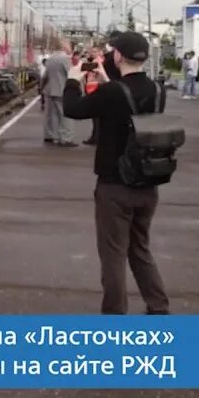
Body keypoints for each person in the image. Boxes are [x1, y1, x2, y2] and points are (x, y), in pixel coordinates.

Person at [62, 31, 170, 316]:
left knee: (113, 255)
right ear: (145, 58)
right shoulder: (159, 90)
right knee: (140, 249)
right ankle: (158, 307)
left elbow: (73, 109)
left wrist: (74, 78)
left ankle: (114, 314)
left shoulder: (111, 93)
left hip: (115, 186)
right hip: (148, 182)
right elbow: (130, 104)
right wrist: (108, 81)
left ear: (118, 56)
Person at [42, 44, 76, 147]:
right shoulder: (65, 59)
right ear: (65, 49)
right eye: (69, 49)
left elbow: (44, 76)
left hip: (49, 90)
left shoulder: (50, 59)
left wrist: (42, 88)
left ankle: (52, 136)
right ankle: (66, 138)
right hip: (62, 90)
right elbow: (71, 74)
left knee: (52, 115)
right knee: (66, 115)